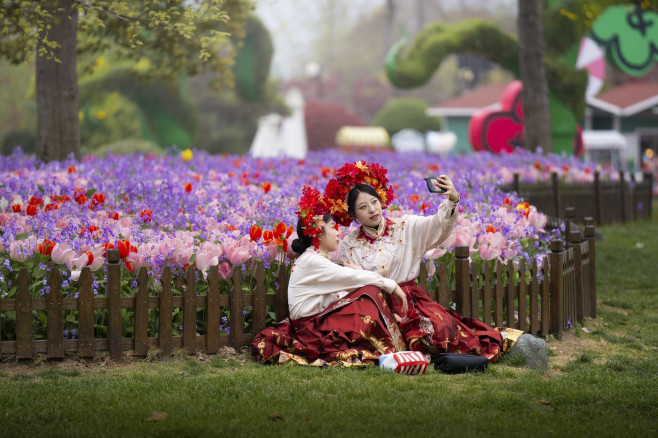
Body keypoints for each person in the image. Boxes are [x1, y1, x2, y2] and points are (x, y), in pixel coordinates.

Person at [324, 161, 510, 362]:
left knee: (442, 333)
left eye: (374, 202)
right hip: (373, 305)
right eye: (363, 207)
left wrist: (452, 199)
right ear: (353, 215)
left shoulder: (405, 226)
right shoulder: (350, 243)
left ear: (381, 200)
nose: (372, 209)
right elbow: (350, 283)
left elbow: (437, 225)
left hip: (409, 301)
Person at [251, 186, 409, 366]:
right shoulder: (312, 261)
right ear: (319, 231)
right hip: (311, 331)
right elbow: (354, 279)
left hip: (317, 323)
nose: (338, 233)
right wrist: (392, 285)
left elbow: (344, 289)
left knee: (368, 293)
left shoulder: (314, 259)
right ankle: (391, 350)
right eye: (333, 227)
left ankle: (389, 348)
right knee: (370, 292)